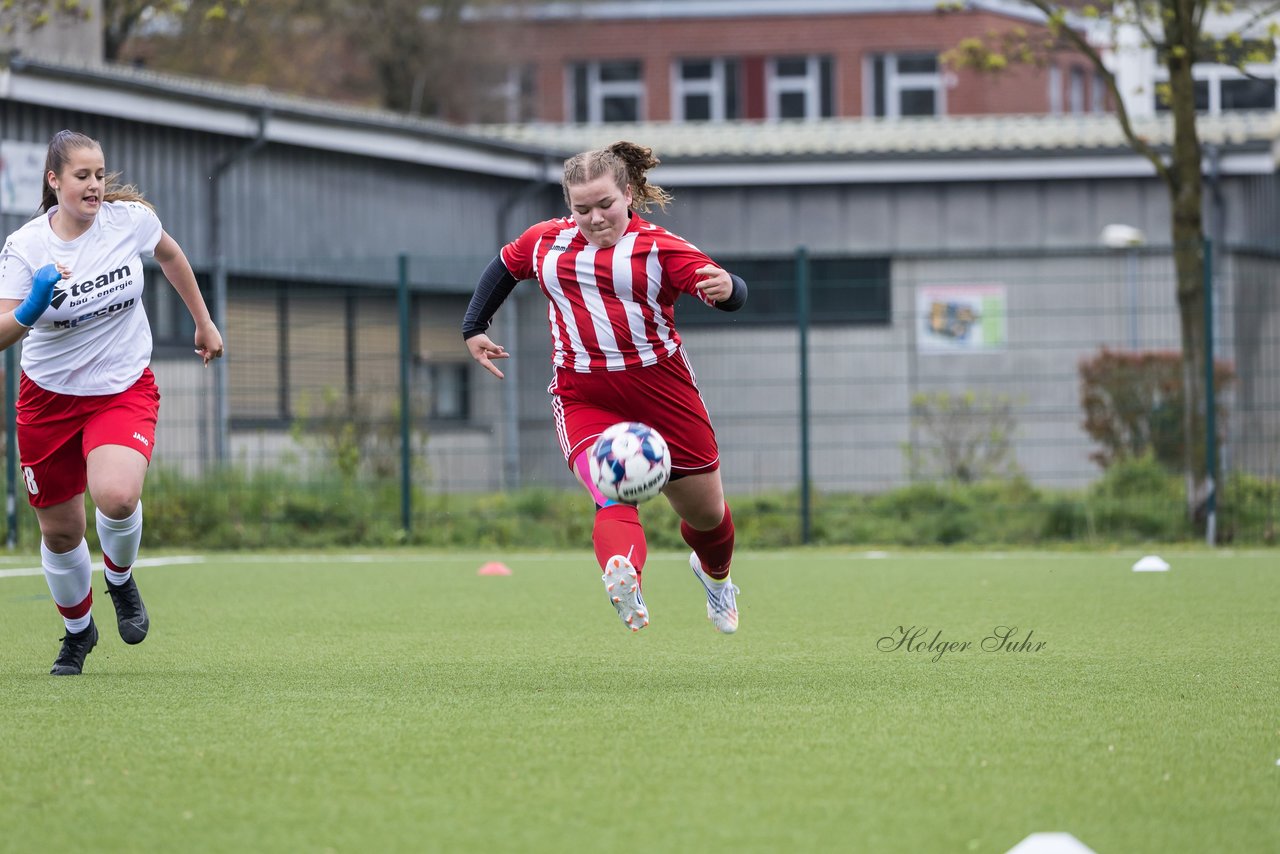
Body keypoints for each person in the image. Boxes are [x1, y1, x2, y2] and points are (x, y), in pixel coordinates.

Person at [463, 141, 747, 633]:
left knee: (707, 517)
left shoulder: (659, 247)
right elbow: (504, 266)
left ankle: (715, 576)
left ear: (629, 194)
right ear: (568, 207)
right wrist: (474, 327)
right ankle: (625, 577)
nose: (594, 218)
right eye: (581, 209)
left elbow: (725, 288)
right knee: (611, 493)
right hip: (583, 394)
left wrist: (728, 289)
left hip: (662, 392)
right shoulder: (546, 242)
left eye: (604, 205)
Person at [0, 129, 224, 675]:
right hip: (48, 401)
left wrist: (202, 321)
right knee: (61, 532)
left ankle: (120, 581)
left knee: (118, 497)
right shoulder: (27, 246)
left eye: (100, 174)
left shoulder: (130, 221)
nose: (95, 185)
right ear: (54, 182)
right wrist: (32, 306)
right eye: (82, 176)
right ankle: (78, 633)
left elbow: (170, 254)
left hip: (121, 388)